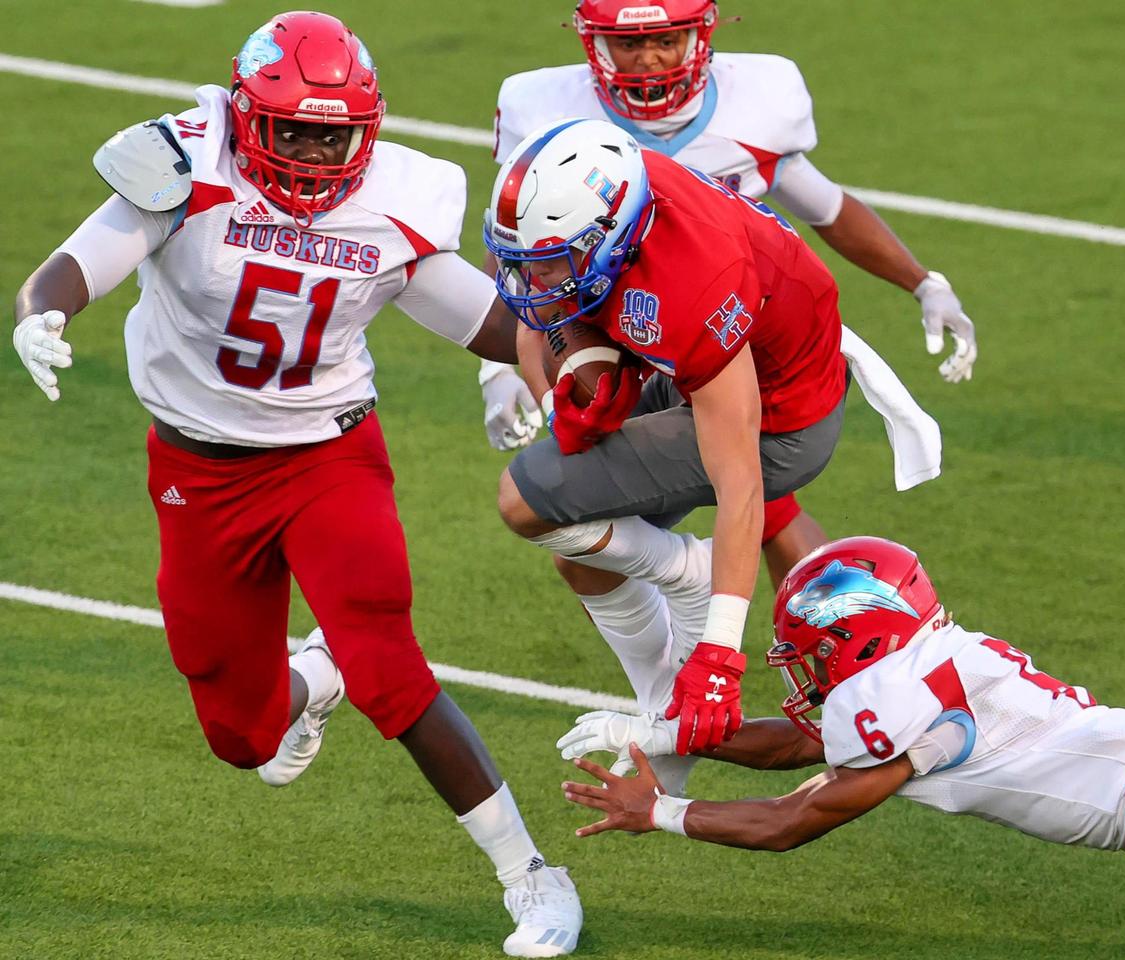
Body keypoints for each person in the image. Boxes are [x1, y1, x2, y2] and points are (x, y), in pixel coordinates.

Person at [11, 13, 581, 957]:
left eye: (337, 133)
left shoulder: (396, 199)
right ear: (243, 116)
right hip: (197, 470)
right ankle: (316, 674)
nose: (318, 153)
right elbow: (77, 261)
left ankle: (531, 876)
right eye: (297, 130)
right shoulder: (182, 168)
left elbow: (494, 320)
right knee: (244, 739)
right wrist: (43, 313)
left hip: (328, 457)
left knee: (392, 673)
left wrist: (574, 374)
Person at [485, 118, 939, 798]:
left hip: (779, 420)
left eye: (553, 259)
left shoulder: (697, 283)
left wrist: (723, 648)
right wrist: (572, 377)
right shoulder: (620, 204)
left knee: (525, 500)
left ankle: (687, 574)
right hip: (702, 358)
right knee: (581, 556)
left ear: (613, 236)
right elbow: (539, 316)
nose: (533, 278)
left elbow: (742, 484)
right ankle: (664, 719)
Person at [490, 0, 978, 587]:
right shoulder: (546, 115)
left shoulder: (755, 106)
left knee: (756, 498)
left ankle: (841, 644)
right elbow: (525, 253)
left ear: (701, 36)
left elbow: (827, 208)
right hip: (620, 335)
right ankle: (714, 636)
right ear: (593, 44)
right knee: (605, 521)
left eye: (667, 40)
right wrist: (499, 369)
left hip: (729, 338)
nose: (648, 59)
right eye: (630, 43)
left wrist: (923, 281)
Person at [558, 536, 1125, 858]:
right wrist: (665, 734)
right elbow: (804, 749)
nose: (808, 668)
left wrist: (658, 811)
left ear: (852, 637)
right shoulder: (937, 659)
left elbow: (790, 820)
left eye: (811, 650)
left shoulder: (898, 696)